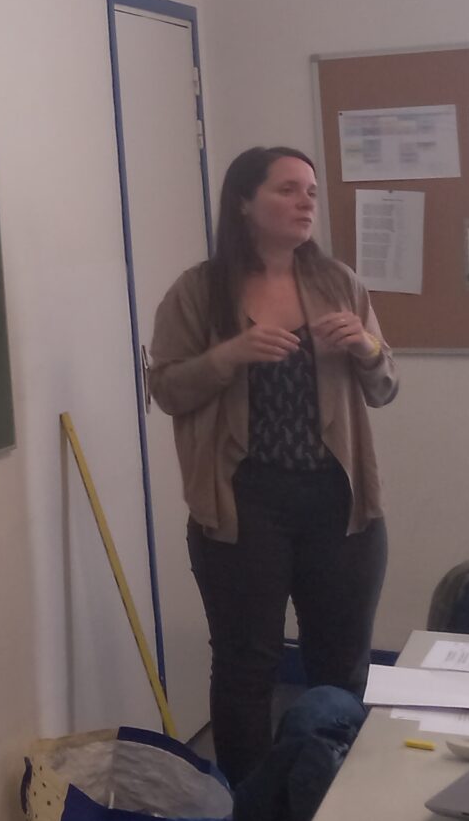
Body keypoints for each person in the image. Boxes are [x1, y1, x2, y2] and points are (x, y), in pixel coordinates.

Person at [148, 146, 397, 785]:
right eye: (287, 189)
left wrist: (366, 345)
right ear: (243, 201)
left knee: (341, 666)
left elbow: (385, 386)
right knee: (245, 665)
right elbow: (167, 389)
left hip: (338, 500)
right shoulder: (199, 291)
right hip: (243, 500)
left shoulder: (339, 283)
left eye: (310, 190)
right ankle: (251, 809)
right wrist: (229, 355)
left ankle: (331, 800)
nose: (306, 201)